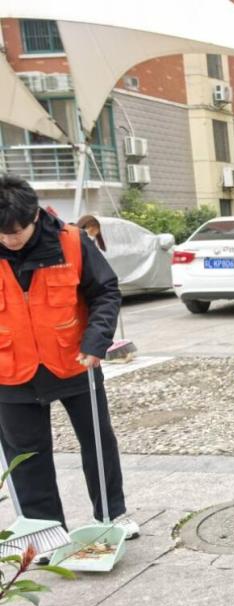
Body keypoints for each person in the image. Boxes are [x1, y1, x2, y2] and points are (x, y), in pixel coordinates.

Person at [0, 176, 138, 543]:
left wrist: (97, 341)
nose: (10, 239)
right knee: (25, 455)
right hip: (10, 368)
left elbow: (105, 291)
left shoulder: (72, 242)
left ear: (35, 216)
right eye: (2, 233)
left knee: (97, 441)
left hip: (75, 359)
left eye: (17, 231)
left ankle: (111, 514)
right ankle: (43, 530)